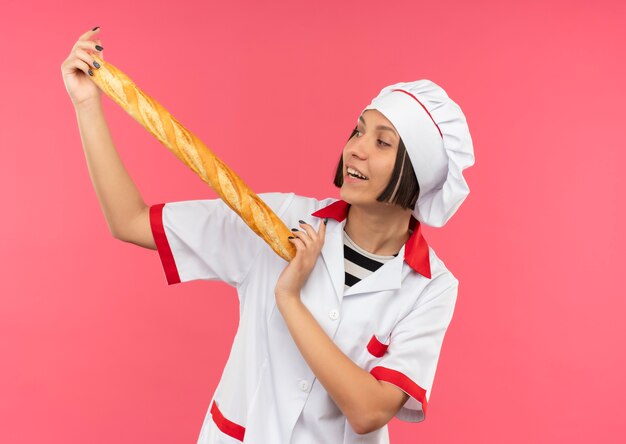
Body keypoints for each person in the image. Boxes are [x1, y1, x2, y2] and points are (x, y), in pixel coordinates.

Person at [62, 27, 475, 444]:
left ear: (417, 175)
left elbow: (369, 411)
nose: (355, 148)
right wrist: (86, 105)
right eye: (358, 130)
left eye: (382, 142)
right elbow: (129, 220)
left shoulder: (431, 287)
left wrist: (289, 299)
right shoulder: (275, 218)